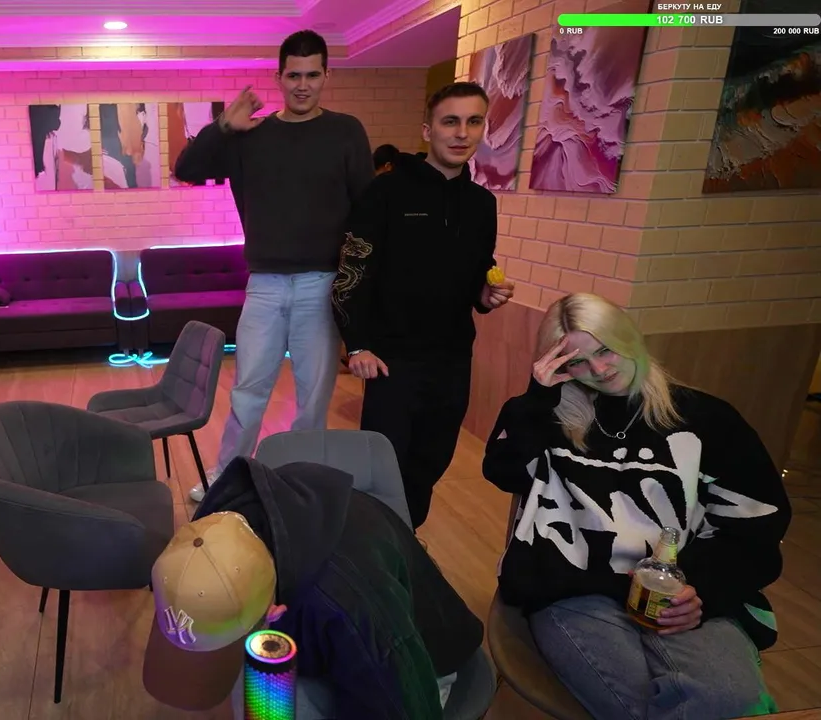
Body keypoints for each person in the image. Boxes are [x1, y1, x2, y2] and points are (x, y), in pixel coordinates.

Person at [482, 292, 790, 720]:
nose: (599, 371)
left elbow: (755, 522)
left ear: (628, 337)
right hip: (575, 588)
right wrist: (538, 399)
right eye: (577, 362)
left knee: (729, 700)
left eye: (606, 350)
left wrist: (700, 586)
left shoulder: (705, 418)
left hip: (681, 588)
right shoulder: (548, 415)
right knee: (646, 707)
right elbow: (504, 471)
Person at [173, 30, 374, 503]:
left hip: (322, 283)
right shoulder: (251, 135)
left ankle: (300, 480)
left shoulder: (346, 131)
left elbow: (366, 210)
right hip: (263, 284)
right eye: (293, 75)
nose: (302, 85)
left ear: (326, 76)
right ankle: (227, 477)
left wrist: (359, 290)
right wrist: (223, 126)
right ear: (279, 77)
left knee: (313, 397)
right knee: (248, 391)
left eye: (312, 75)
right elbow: (186, 169)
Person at [142, 456, 484, 719]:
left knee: (267, 701)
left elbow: (406, 703)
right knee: (257, 698)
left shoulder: (357, 606)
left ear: (274, 612)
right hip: (333, 631)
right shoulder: (217, 526)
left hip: (416, 663)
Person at [331, 81, 515, 529]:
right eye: (450, 121)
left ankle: (406, 541)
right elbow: (351, 272)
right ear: (428, 130)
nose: (461, 133)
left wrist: (485, 295)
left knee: (430, 462)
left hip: (453, 359)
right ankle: (376, 545)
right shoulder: (385, 192)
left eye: (473, 122)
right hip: (392, 360)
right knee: (382, 466)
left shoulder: (482, 203)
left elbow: (478, 272)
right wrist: (358, 345)